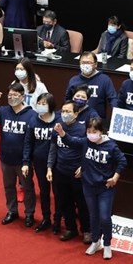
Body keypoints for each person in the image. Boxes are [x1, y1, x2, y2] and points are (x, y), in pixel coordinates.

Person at [64, 116, 126, 260]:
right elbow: (71, 141)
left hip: (105, 187)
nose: (91, 134)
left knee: (104, 217)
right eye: (89, 131)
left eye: (94, 131)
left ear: (101, 132)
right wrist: (62, 132)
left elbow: (122, 161)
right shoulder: (86, 142)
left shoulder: (111, 146)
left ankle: (107, 244)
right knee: (93, 215)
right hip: (88, 185)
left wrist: (115, 177)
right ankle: (95, 241)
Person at [0, 83, 38, 226]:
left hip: (23, 161)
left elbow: (32, 140)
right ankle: (12, 211)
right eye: (10, 95)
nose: (12, 97)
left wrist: (28, 160)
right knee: (8, 186)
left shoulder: (31, 115)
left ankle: (29, 214)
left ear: (23, 97)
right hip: (6, 159)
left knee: (27, 188)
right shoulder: (3, 111)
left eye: (15, 95)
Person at [48, 101, 91, 242]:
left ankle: (86, 230)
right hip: (61, 170)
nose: (65, 114)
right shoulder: (57, 126)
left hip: (77, 172)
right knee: (64, 201)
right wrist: (50, 167)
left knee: (81, 202)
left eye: (68, 112)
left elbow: (88, 150)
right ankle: (70, 228)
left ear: (76, 114)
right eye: (63, 111)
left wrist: (83, 166)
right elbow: (53, 148)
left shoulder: (82, 129)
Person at [23, 93, 59, 232]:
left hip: (57, 163)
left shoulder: (59, 120)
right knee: (44, 191)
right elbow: (28, 142)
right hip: (39, 162)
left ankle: (57, 221)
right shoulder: (33, 120)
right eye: (39, 103)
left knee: (57, 192)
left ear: (51, 105)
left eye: (44, 103)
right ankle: (46, 219)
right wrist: (26, 161)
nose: (41, 106)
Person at [63, 52, 117, 119]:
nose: (85, 65)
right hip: (76, 119)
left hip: (97, 120)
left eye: (88, 63)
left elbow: (113, 99)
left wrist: (116, 114)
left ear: (95, 64)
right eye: (83, 63)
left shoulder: (104, 79)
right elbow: (67, 99)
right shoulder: (74, 80)